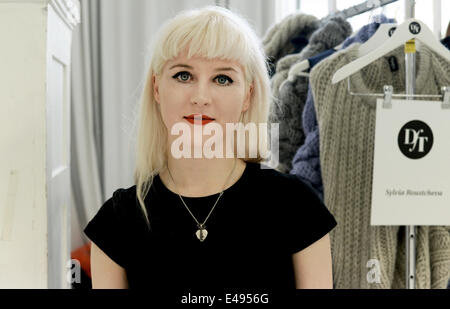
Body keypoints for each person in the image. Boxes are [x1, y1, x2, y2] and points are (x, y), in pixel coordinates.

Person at [83, 5, 337, 289]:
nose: (201, 97)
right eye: (183, 75)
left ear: (247, 96)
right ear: (157, 88)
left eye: (222, 79)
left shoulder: (296, 206)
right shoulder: (117, 222)